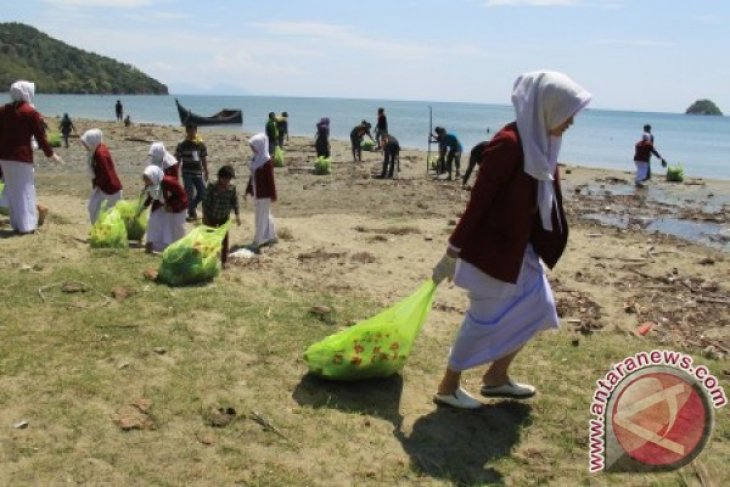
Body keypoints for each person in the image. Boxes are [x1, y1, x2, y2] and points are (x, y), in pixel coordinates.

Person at [430, 71, 591, 409]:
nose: (570, 123)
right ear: (546, 107)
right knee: (483, 319)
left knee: (540, 308)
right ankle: (448, 386)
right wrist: (452, 252)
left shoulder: (541, 143)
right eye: (567, 113)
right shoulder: (509, 144)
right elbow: (479, 203)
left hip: (519, 250)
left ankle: (496, 377)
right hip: (490, 252)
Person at [0, 80, 63, 235]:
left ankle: (16, 223)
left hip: (4, 157)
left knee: (13, 190)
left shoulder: (3, 110)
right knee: (25, 190)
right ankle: (27, 225)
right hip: (21, 156)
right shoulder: (30, 112)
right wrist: (51, 154)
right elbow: (40, 136)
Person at [140, 165, 188, 253]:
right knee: (154, 222)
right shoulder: (152, 184)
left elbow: (182, 196)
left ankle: (179, 248)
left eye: (147, 180)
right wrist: (142, 208)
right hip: (162, 206)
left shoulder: (169, 182)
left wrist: (172, 207)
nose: (146, 183)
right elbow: (150, 197)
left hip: (177, 207)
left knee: (175, 228)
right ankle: (152, 244)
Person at [202, 165, 241, 268]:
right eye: (226, 179)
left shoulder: (232, 188)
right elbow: (205, 203)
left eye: (229, 179)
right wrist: (205, 218)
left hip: (224, 217)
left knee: (224, 239)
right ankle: (208, 260)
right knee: (210, 239)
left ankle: (224, 261)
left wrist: (237, 215)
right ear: (220, 178)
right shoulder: (211, 186)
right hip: (211, 217)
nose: (227, 182)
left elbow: (234, 202)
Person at [81, 129, 123, 224]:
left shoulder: (100, 154)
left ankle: (100, 232)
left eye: (86, 143)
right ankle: (98, 230)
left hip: (110, 190)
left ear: (92, 142)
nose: (84, 146)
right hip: (106, 187)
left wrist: (97, 184)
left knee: (101, 213)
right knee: (93, 207)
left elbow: (106, 173)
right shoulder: (99, 148)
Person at [246, 133, 278, 249]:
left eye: (253, 146)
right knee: (265, 215)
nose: (252, 149)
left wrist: (273, 194)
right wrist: (248, 189)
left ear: (260, 145)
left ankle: (258, 241)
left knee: (260, 217)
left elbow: (270, 180)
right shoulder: (256, 158)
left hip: (264, 193)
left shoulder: (266, 160)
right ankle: (271, 236)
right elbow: (252, 176)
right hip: (257, 191)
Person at [175, 122, 208, 221]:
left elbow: (204, 158)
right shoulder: (182, 144)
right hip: (187, 173)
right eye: (190, 130)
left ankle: (191, 207)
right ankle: (192, 214)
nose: (192, 132)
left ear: (196, 130)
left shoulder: (200, 144)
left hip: (198, 172)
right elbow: (178, 159)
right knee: (189, 193)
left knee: (203, 193)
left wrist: (206, 170)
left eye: (193, 130)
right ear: (187, 131)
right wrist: (175, 173)